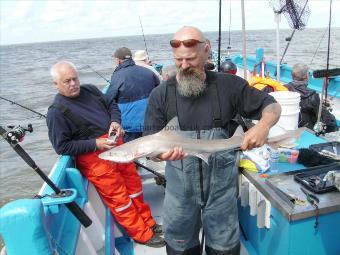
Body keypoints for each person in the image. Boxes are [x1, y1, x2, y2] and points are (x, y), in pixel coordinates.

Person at [144, 26, 281, 255]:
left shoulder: (230, 86)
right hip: (179, 195)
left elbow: (272, 106)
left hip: (222, 194)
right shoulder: (160, 94)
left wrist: (263, 126)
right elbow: (149, 146)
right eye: (179, 60)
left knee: (224, 249)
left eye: (191, 59)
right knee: (179, 247)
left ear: (206, 51)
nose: (184, 66)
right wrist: (159, 154)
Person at [47, 61, 165, 248]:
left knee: (135, 188)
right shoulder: (56, 112)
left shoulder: (91, 90)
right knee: (121, 199)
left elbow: (112, 105)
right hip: (96, 160)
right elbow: (62, 146)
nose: (73, 84)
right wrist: (95, 143)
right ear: (56, 84)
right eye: (66, 81)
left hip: (118, 147)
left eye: (74, 79)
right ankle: (141, 234)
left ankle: (149, 223)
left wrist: (115, 122)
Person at [107, 47, 160, 142]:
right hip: (151, 121)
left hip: (130, 127)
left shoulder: (117, 75)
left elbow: (109, 99)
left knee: (131, 149)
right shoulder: (148, 71)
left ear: (118, 60)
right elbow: (159, 89)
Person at [285, 63, 338, 132]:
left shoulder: (283, 88)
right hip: (306, 129)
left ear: (292, 76)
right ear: (307, 76)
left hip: (290, 124)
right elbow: (325, 119)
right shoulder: (312, 95)